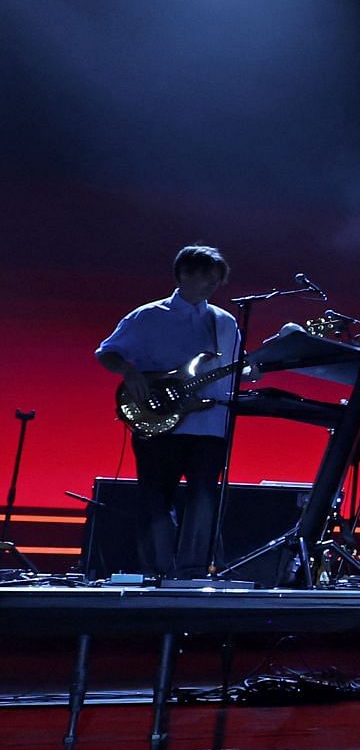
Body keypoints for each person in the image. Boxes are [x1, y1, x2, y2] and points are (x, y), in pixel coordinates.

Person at [96, 244, 240, 579]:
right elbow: (106, 353)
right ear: (183, 274)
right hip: (158, 422)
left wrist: (254, 371)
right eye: (206, 278)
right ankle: (156, 572)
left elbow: (231, 370)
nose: (211, 285)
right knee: (155, 498)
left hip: (209, 425)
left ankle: (193, 574)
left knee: (204, 499)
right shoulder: (148, 315)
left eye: (216, 280)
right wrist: (129, 372)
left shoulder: (225, 322)